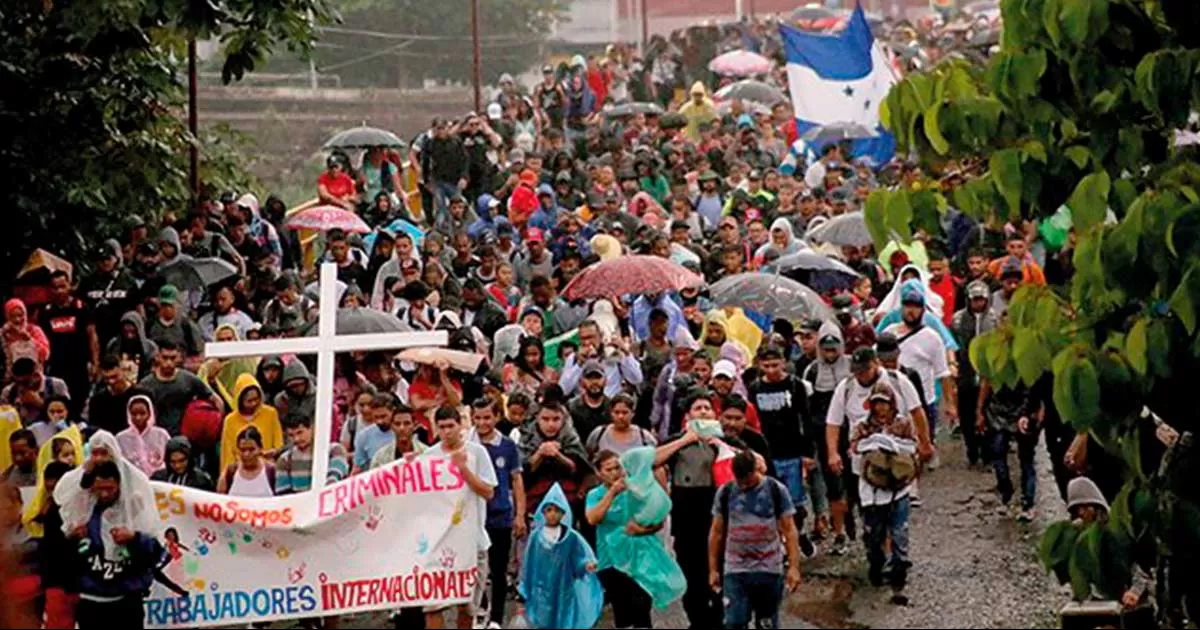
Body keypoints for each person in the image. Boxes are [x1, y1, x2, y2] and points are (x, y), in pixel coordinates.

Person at [53, 431, 164, 629]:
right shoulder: (80, 506)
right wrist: (71, 538)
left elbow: (154, 551)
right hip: (90, 600)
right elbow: (60, 553)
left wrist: (134, 538)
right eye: (99, 489)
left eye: (110, 489)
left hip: (126, 599)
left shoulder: (135, 503)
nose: (104, 494)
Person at [824, 347, 926, 556]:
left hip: (897, 459)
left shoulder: (897, 381)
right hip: (862, 464)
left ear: (876, 364)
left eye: (866, 370)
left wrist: (925, 443)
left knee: (895, 507)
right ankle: (875, 546)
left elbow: (917, 412)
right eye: (858, 371)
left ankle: (891, 554)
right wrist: (833, 453)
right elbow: (833, 423)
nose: (862, 376)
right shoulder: (846, 388)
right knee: (869, 511)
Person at [709, 449, 804, 630]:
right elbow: (716, 532)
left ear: (756, 470)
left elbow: (790, 530)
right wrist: (713, 569)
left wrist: (794, 567)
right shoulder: (726, 492)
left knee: (766, 623)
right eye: (740, 481)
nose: (743, 486)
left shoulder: (776, 490)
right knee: (734, 622)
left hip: (768, 568)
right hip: (736, 568)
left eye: (748, 480)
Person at [423, 407, 497, 630]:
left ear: (460, 426)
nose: (446, 432)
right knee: (433, 606)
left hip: (473, 540)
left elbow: (488, 491)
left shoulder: (477, 452)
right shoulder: (428, 457)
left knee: (467, 606)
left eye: (451, 426)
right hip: (438, 542)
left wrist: (463, 468)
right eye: (442, 427)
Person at [652, 395, 723, 627]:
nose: (703, 412)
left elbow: (754, 462)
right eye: (697, 408)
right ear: (688, 415)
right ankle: (697, 619)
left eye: (707, 408)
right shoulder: (677, 441)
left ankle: (718, 618)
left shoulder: (724, 440)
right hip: (686, 515)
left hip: (717, 514)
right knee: (691, 573)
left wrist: (721, 445)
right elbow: (653, 460)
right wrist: (685, 440)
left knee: (718, 569)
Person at [849, 382, 917, 606]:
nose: (880, 408)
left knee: (899, 532)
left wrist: (893, 446)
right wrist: (873, 444)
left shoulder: (903, 424)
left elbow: (912, 447)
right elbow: (854, 449)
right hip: (871, 491)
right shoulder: (862, 426)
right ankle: (876, 565)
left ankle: (899, 570)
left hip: (898, 489)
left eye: (884, 403)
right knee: (874, 533)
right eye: (876, 403)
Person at [746, 346, 814, 552]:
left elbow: (806, 419)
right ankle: (781, 543)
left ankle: (797, 534)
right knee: (771, 502)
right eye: (766, 366)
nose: (771, 370)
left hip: (792, 451)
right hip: (768, 454)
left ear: (783, 363)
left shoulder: (795, 385)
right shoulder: (755, 388)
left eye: (775, 365)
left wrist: (808, 453)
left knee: (795, 502)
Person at [468, 398, 525, 629]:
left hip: (499, 515)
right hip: (473, 516)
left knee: (499, 570)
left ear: (497, 417)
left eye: (487, 417)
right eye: (478, 418)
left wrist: (520, 514)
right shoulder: (466, 445)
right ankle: (479, 610)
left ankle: (496, 619)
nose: (482, 423)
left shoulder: (507, 446)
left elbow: (516, 479)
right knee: (474, 568)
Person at [518, 482, 603, 629]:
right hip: (542, 590)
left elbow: (579, 559)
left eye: (557, 510)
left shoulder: (571, 537)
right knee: (543, 621)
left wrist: (585, 565)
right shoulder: (536, 537)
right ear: (542, 512)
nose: (552, 514)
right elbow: (529, 564)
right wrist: (525, 589)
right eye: (549, 510)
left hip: (564, 588)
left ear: (564, 513)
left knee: (564, 620)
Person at [881, 287, 956, 441]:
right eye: (908, 306)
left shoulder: (932, 338)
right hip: (893, 402)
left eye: (916, 307)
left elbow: (943, 373)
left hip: (923, 401)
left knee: (923, 446)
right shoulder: (889, 333)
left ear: (922, 310)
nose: (911, 311)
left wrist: (950, 404)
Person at [977, 375, 1042, 522]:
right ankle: (1014, 496)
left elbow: (986, 383)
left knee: (1021, 459)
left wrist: (980, 410)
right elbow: (986, 382)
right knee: (1009, 457)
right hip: (1005, 409)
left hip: (1017, 408)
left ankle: (1021, 500)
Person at [950, 280, 997, 467]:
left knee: (987, 413)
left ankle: (987, 452)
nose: (978, 304)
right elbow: (952, 343)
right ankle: (971, 450)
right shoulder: (958, 319)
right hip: (965, 371)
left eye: (981, 300)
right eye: (974, 300)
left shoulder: (994, 319)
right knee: (966, 414)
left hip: (988, 371)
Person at [518, 402, 592, 522]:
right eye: (545, 419)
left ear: (563, 420)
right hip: (534, 500)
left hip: (568, 500)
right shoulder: (526, 437)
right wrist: (540, 453)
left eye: (556, 419)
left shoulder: (571, 437)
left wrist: (558, 455)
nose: (551, 424)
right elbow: (521, 472)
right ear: (537, 418)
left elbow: (579, 468)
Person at [39, 271, 100, 413]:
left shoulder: (81, 307)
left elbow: (92, 335)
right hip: (56, 367)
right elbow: (41, 340)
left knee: (79, 402)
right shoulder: (46, 312)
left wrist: (95, 362)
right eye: (55, 287)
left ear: (70, 286)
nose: (59, 291)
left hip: (79, 366)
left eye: (62, 286)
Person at [137, 340, 221, 435]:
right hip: (156, 435)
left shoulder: (188, 379)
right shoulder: (146, 384)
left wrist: (217, 424)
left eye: (173, 358)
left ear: (179, 358)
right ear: (157, 357)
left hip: (185, 436)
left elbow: (216, 400)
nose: (168, 362)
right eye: (165, 358)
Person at [36, 460, 78, 629]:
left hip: (78, 585)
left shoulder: (81, 510)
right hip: (58, 586)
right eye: (49, 484)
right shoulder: (50, 512)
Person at [217, 374, 283, 474]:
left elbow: (279, 444)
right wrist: (227, 475)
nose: (253, 403)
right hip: (240, 472)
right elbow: (227, 455)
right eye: (249, 401)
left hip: (267, 470)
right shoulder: (230, 420)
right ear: (239, 400)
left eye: (256, 399)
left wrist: (272, 452)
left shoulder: (271, 413)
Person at [275, 416, 350, 494]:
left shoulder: (335, 450)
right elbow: (283, 493)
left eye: (300, 432)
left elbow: (334, 477)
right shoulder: (284, 460)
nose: (296, 438)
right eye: (291, 435)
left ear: (311, 429)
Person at [3, 357, 71, 425]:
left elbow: (69, 414)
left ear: (36, 376)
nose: (21, 387)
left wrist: (40, 404)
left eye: (25, 383)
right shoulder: (9, 391)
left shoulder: (56, 385)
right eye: (17, 382)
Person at [115, 394, 170, 477]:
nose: (138, 417)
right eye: (134, 414)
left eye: (142, 413)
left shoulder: (161, 434)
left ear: (150, 413)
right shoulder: (121, 438)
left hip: (159, 480)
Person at [586, 393, 656, 457]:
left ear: (632, 414)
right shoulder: (599, 434)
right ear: (611, 413)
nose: (620, 416)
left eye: (625, 412)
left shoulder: (644, 437)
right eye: (616, 412)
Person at [84, 355, 138, 436]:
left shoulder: (139, 395)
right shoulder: (97, 401)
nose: (111, 381)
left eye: (114, 376)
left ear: (122, 371)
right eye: (106, 378)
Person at [217, 426, 276, 497]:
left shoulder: (272, 471)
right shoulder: (229, 473)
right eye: (243, 450)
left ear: (260, 449)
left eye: (251, 450)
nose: (246, 454)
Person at [2, 298, 50, 377]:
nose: (17, 320)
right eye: (12, 316)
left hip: (34, 377)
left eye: (20, 315)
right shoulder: (3, 333)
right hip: (11, 378)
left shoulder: (35, 330)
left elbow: (45, 355)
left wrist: (29, 339)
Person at [150, 436, 214, 491]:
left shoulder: (201, 481)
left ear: (189, 458)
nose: (177, 466)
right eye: (173, 462)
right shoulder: (158, 478)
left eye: (181, 461)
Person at [355, 395, 400, 472]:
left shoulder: (404, 432)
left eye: (383, 416)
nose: (380, 421)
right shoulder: (363, 436)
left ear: (393, 412)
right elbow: (358, 467)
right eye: (376, 417)